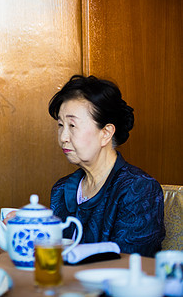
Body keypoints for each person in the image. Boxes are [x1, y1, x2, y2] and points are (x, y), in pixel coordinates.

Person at [48, 75, 165, 257]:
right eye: (61, 125)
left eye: (72, 125)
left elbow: (128, 260)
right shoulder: (61, 189)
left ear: (106, 132)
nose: (63, 137)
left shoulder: (138, 189)